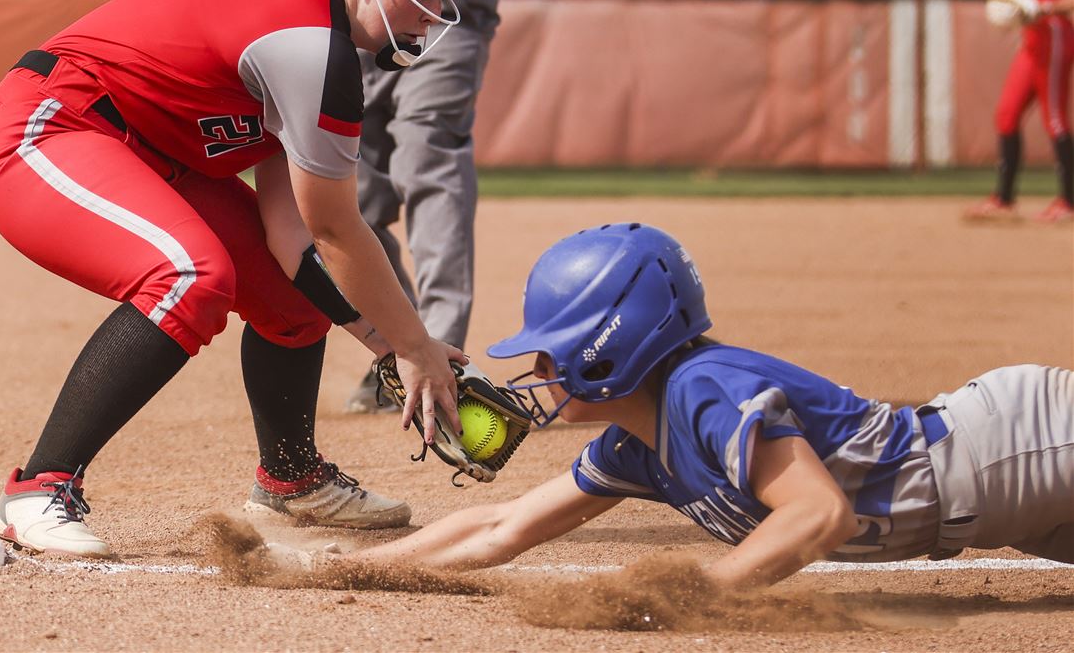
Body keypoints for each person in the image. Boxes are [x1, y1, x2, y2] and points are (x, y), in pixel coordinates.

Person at [0, 0, 477, 557]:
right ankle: (37, 488)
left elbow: (293, 237)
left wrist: (384, 341)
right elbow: (336, 227)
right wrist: (415, 346)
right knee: (188, 275)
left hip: (142, 151)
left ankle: (292, 478)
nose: (431, 11)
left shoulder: (318, 35)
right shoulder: (309, 46)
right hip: (47, 128)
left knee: (292, 302)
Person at [351, 223, 1073, 588]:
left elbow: (820, 514)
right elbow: (502, 527)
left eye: (551, 349)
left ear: (613, 342)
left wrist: (697, 595)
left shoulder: (706, 388)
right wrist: (355, 569)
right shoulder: (636, 446)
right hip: (1003, 503)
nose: (537, 370)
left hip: (1017, 445)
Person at [221, 0, 570, 412]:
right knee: (353, 195)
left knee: (429, 154)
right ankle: (402, 349)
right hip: (339, 5)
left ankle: (441, 349)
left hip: (444, 3)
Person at [966, 0, 1074, 223]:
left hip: (1055, 38)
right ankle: (1004, 199)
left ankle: (1068, 202)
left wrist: (1044, 7)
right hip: (1031, 42)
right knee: (1007, 115)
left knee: (1053, 118)